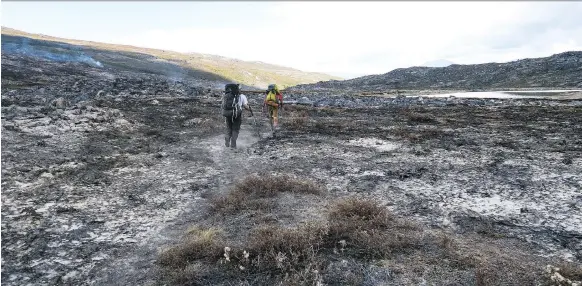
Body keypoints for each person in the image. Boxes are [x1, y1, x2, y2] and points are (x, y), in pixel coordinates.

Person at [222, 83, 253, 149]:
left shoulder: (227, 95)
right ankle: (233, 145)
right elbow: (245, 106)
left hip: (228, 114)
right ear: (239, 90)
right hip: (237, 115)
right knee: (235, 129)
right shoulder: (242, 96)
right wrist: (250, 109)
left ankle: (227, 140)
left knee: (229, 128)